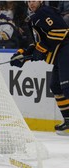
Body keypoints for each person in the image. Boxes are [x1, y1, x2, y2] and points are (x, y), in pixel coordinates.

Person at [10, 1, 69, 136]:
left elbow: (61, 31)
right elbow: (38, 44)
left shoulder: (45, 12)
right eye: (29, 1)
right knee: (56, 86)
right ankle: (68, 119)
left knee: (67, 88)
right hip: (59, 54)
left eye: (34, 0)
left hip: (66, 50)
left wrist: (41, 49)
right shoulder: (33, 18)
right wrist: (23, 54)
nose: (31, 3)